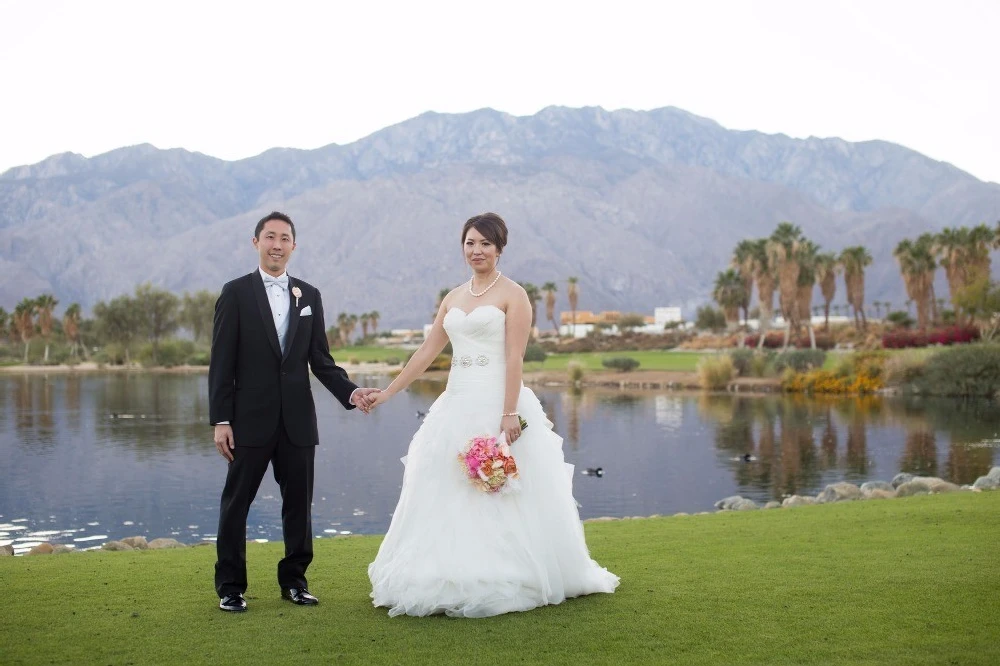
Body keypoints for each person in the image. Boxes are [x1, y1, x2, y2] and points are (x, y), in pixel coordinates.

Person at [366, 212, 619, 617]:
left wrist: (507, 413)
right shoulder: (453, 297)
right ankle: (445, 571)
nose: (476, 250)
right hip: (455, 401)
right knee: (445, 482)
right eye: (470, 243)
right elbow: (428, 351)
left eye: (485, 243)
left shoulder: (514, 295)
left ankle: (507, 573)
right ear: (462, 247)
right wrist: (388, 392)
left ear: (499, 248)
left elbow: (514, 357)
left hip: (498, 400)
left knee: (500, 487)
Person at [208, 211, 379, 613]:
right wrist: (221, 419)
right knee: (236, 504)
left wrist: (351, 393)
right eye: (270, 237)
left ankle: (295, 582)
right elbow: (221, 363)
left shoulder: (309, 295)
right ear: (256, 243)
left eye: (285, 238)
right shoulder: (234, 293)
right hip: (248, 421)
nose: (277, 244)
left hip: (298, 421)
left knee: (299, 505)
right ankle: (231, 588)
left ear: (294, 246)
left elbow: (320, 359)